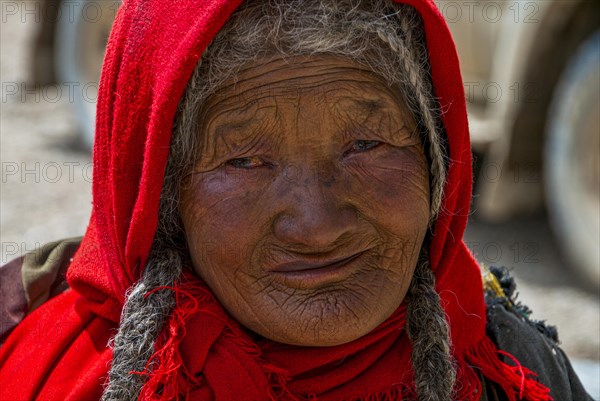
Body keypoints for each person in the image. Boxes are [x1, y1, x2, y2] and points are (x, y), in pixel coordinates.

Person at [0, 0, 592, 400]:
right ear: (158, 196)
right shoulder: (45, 367)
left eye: (366, 143)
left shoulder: (514, 369)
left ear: (438, 161)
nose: (316, 226)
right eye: (244, 160)